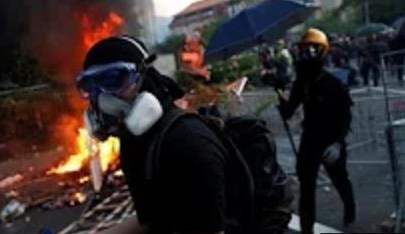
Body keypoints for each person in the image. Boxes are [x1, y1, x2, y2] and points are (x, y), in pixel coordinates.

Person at [75, 36, 265, 234]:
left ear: (144, 77)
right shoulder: (135, 141)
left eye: (113, 79)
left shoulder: (188, 143)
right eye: (90, 86)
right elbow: (155, 220)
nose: (102, 98)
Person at [278, 28, 356, 234]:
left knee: (340, 179)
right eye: (303, 50)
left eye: (311, 50)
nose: (306, 55)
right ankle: (306, 228)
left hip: (331, 140)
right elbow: (289, 111)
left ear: (322, 52)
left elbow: (346, 116)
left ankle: (350, 209)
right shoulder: (301, 83)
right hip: (310, 139)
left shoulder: (334, 84)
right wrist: (278, 91)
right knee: (307, 187)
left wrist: (337, 143)